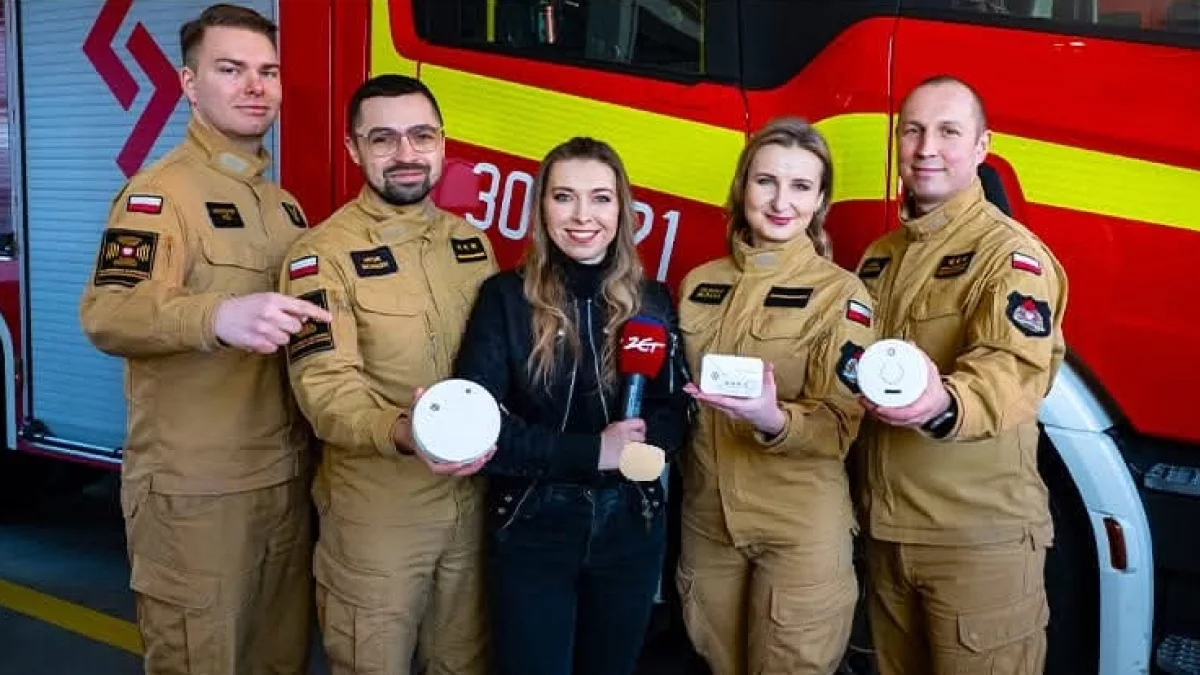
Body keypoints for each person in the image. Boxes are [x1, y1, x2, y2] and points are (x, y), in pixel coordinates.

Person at [79, 5, 324, 674]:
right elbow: (107, 311)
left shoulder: (283, 206)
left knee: (278, 660)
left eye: (268, 71)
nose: (256, 86)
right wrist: (216, 316)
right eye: (231, 69)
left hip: (282, 481)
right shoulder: (160, 197)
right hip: (197, 495)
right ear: (189, 84)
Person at [279, 74, 495, 675]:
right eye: (384, 139)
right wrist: (405, 431)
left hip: (471, 509)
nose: (406, 153)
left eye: (421, 136)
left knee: (465, 664)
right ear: (354, 149)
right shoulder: (320, 256)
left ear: (442, 143)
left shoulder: (471, 244)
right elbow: (325, 391)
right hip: (379, 519)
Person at [452, 136, 691, 675]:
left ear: (622, 210)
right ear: (541, 208)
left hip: (631, 526)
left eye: (600, 198)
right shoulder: (503, 298)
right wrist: (593, 452)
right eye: (564, 197)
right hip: (532, 523)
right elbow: (478, 425)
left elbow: (673, 411)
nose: (583, 216)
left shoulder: (653, 300)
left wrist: (642, 454)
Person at [854, 75, 1068, 675]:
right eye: (913, 131)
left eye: (948, 132)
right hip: (888, 536)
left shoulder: (1009, 256)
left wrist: (942, 405)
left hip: (976, 543)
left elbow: (1013, 367)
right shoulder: (878, 258)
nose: (927, 148)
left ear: (981, 146)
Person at [673, 117, 877, 675]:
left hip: (798, 527)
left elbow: (841, 423)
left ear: (821, 201)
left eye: (800, 186)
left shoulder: (842, 294)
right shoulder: (699, 284)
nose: (781, 202)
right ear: (742, 187)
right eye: (766, 181)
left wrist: (773, 418)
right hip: (708, 522)